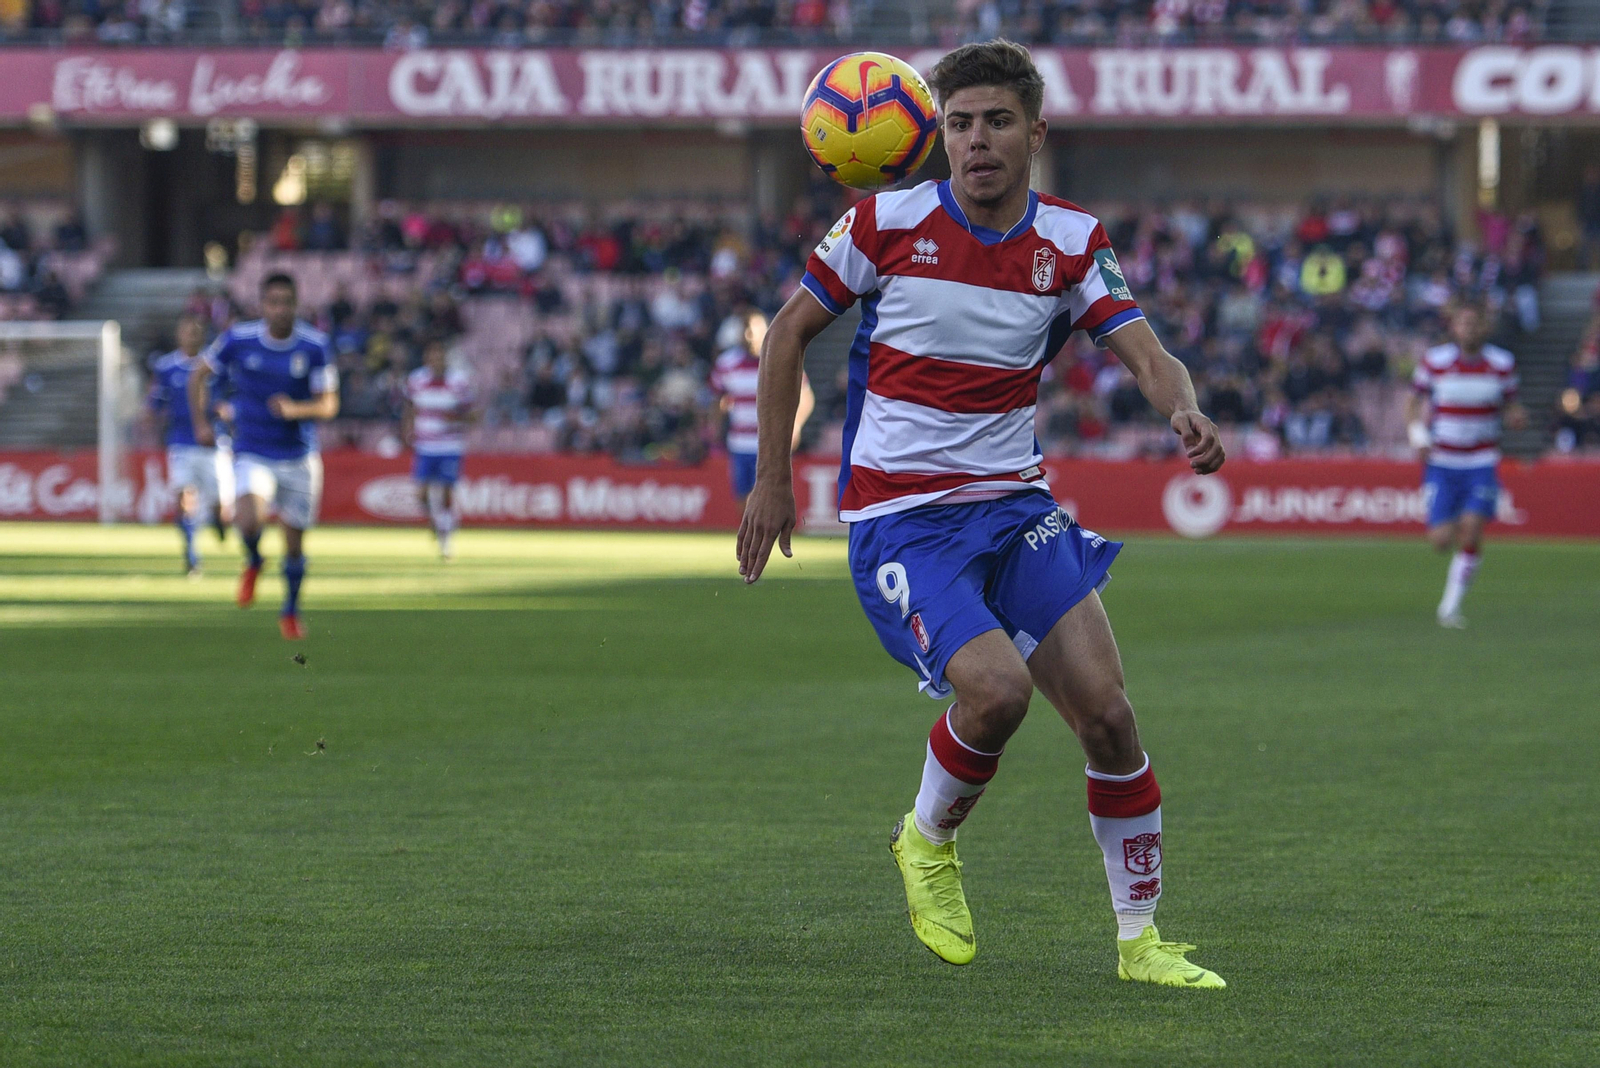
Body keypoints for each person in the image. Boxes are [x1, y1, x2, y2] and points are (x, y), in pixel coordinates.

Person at [736, 40, 1227, 988]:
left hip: (1015, 509)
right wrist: (771, 478)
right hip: (902, 518)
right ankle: (925, 841)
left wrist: (1182, 408)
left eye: (997, 121)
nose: (977, 142)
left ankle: (1141, 943)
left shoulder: (1073, 243)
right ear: (935, 135)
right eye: (959, 124)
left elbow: (1147, 352)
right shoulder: (882, 223)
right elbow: (788, 335)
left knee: (1111, 721)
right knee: (996, 693)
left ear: (1035, 132)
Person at [189, 273, 339, 640]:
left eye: (286, 302)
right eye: (273, 302)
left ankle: (290, 610)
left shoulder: (315, 345)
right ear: (262, 305)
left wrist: (295, 410)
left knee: (294, 543)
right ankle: (254, 558)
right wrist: (201, 424)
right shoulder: (238, 339)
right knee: (248, 519)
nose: (280, 309)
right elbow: (198, 376)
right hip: (253, 451)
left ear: (296, 305)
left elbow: (329, 404)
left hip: (299, 456)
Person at [1406, 299, 1526, 628]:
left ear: (1484, 327)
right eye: (1463, 323)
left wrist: (1516, 416)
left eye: (1475, 324)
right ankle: (1460, 531)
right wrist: (1418, 437)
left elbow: (1511, 403)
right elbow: (1413, 402)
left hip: (1481, 460)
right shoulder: (1435, 361)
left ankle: (1450, 606)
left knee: (1471, 530)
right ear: (1454, 328)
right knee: (1441, 541)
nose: (1469, 329)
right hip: (1443, 460)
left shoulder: (1502, 364)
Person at [146, 314, 234, 575]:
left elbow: (233, 394)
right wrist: (150, 414)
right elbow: (156, 402)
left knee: (221, 509)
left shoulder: (215, 365)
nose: (192, 335)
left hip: (214, 444)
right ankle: (192, 556)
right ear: (179, 334)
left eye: (197, 330)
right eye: (187, 330)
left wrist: (226, 409)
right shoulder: (166, 366)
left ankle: (219, 523)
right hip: (181, 442)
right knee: (184, 499)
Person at [710, 309, 814, 507]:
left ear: (765, 330)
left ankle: (764, 537)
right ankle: (752, 538)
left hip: (770, 444)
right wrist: (716, 421)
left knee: (766, 500)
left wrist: (796, 424)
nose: (748, 336)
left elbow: (806, 396)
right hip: (739, 443)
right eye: (744, 330)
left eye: (752, 330)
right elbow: (718, 396)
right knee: (742, 501)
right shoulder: (726, 363)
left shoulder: (780, 359)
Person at [402, 337, 476, 560]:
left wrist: (454, 418)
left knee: (445, 494)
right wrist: (407, 430)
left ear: (446, 357)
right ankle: (436, 522)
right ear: (426, 357)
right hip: (424, 445)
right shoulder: (416, 379)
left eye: (439, 354)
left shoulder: (459, 382)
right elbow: (410, 407)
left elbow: (471, 415)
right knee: (421, 494)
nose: (436, 359)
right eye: (431, 354)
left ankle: (446, 541)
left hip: (449, 445)